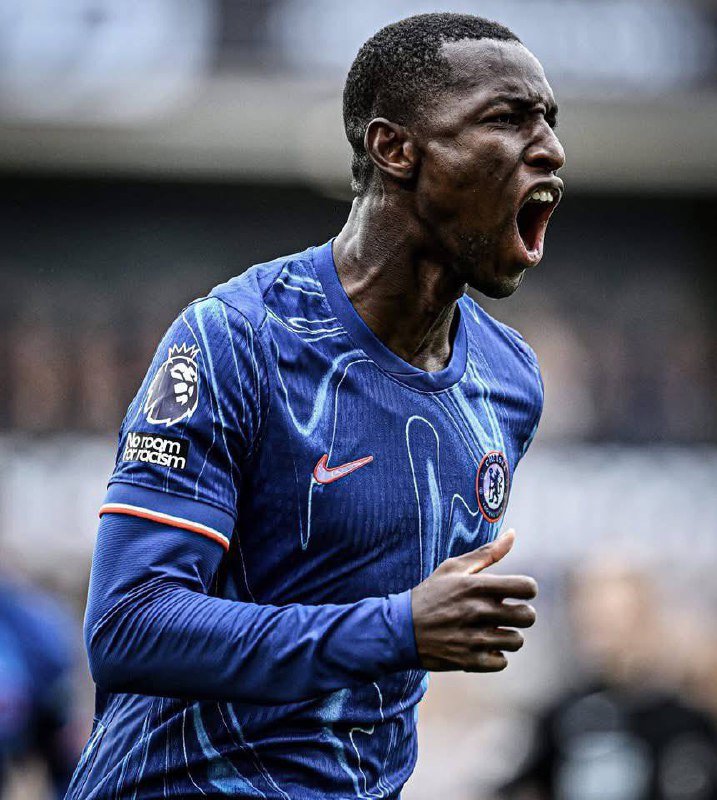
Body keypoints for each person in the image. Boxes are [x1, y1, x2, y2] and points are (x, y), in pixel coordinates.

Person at [66, 12, 564, 799]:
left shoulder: (507, 379)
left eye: (549, 121)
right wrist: (396, 627)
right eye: (507, 118)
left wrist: (405, 633)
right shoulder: (237, 339)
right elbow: (129, 626)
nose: (549, 149)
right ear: (394, 149)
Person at [495, 561, 717, 800]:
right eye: (590, 616)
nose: (599, 630)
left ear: (644, 617)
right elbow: (522, 784)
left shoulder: (684, 720)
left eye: (613, 617)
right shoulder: (562, 714)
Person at [0, 576, 79, 798]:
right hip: (36, 705)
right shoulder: (25, 610)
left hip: (40, 708)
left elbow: (56, 660)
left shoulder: (22, 612)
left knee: (66, 767)